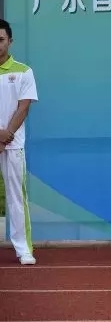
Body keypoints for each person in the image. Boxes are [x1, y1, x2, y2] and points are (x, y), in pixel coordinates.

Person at [0, 19, 39, 266]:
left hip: (12, 144)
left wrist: (6, 136)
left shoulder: (24, 71)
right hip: (4, 139)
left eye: (0, 40)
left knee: (16, 197)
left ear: (10, 41)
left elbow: (24, 107)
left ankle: (23, 249)